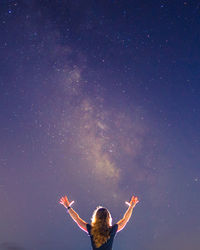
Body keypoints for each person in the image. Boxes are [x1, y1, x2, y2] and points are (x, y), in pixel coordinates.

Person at [59, 195, 139, 249]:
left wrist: (68, 207)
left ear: (96, 218)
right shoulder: (112, 230)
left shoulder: (92, 230)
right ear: (108, 218)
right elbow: (125, 219)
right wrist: (131, 206)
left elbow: (77, 219)